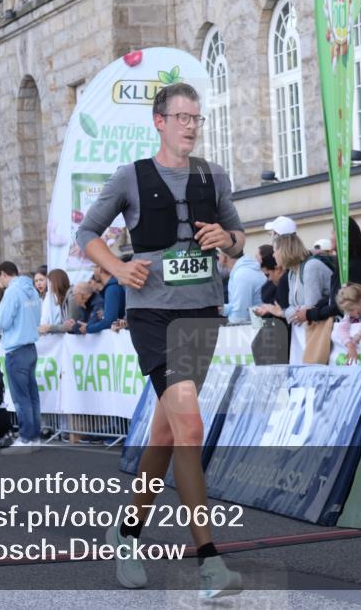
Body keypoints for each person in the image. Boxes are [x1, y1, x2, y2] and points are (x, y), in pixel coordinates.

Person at [77, 83, 243, 598]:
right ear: (159, 121)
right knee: (189, 422)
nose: (191, 125)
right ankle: (210, 564)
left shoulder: (214, 176)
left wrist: (225, 241)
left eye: (197, 118)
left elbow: (240, 238)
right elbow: (87, 234)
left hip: (202, 314)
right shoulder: (132, 176)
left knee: (168, 435)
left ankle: (126, 533)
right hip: (153, 319)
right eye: (182, 117)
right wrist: (118, 267)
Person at [0, 261, 42, 452]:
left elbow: (2, 321)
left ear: (4, 274)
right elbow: (37, 317)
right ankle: (34, 438)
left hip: (16, 347)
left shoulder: (12, 291)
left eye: (0, 278)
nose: (0, 282)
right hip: (30, 346)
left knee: (21, 398)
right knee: (32, 395)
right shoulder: (32, 290)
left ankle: (26, 439)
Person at [219, 248, 266, 324]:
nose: (218, 258)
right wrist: (223, 309)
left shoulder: (242, 275)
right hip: (257, 325)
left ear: (225, 257)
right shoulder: (241, 270)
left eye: (219, 255)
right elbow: (240, 305)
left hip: (258, 328)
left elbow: (240, 316)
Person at [335, 217, 361, 291]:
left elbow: (347, 299)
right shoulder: (350, 265)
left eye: (333, 232)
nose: (330, 237)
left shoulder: (354, 268)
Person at [87, 264, 125, 334]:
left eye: (95, 267)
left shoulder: (111, 289)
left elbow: (109, 322)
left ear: (100, 269)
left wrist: (88, 328)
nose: (93, 271)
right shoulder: (111, 288)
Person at [38, 269, 75, 334]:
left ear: (56, 283)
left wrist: (49, 328)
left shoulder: (71, 297)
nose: (49, 287)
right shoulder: (62, 298)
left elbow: (71, 325)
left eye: (50, 283)